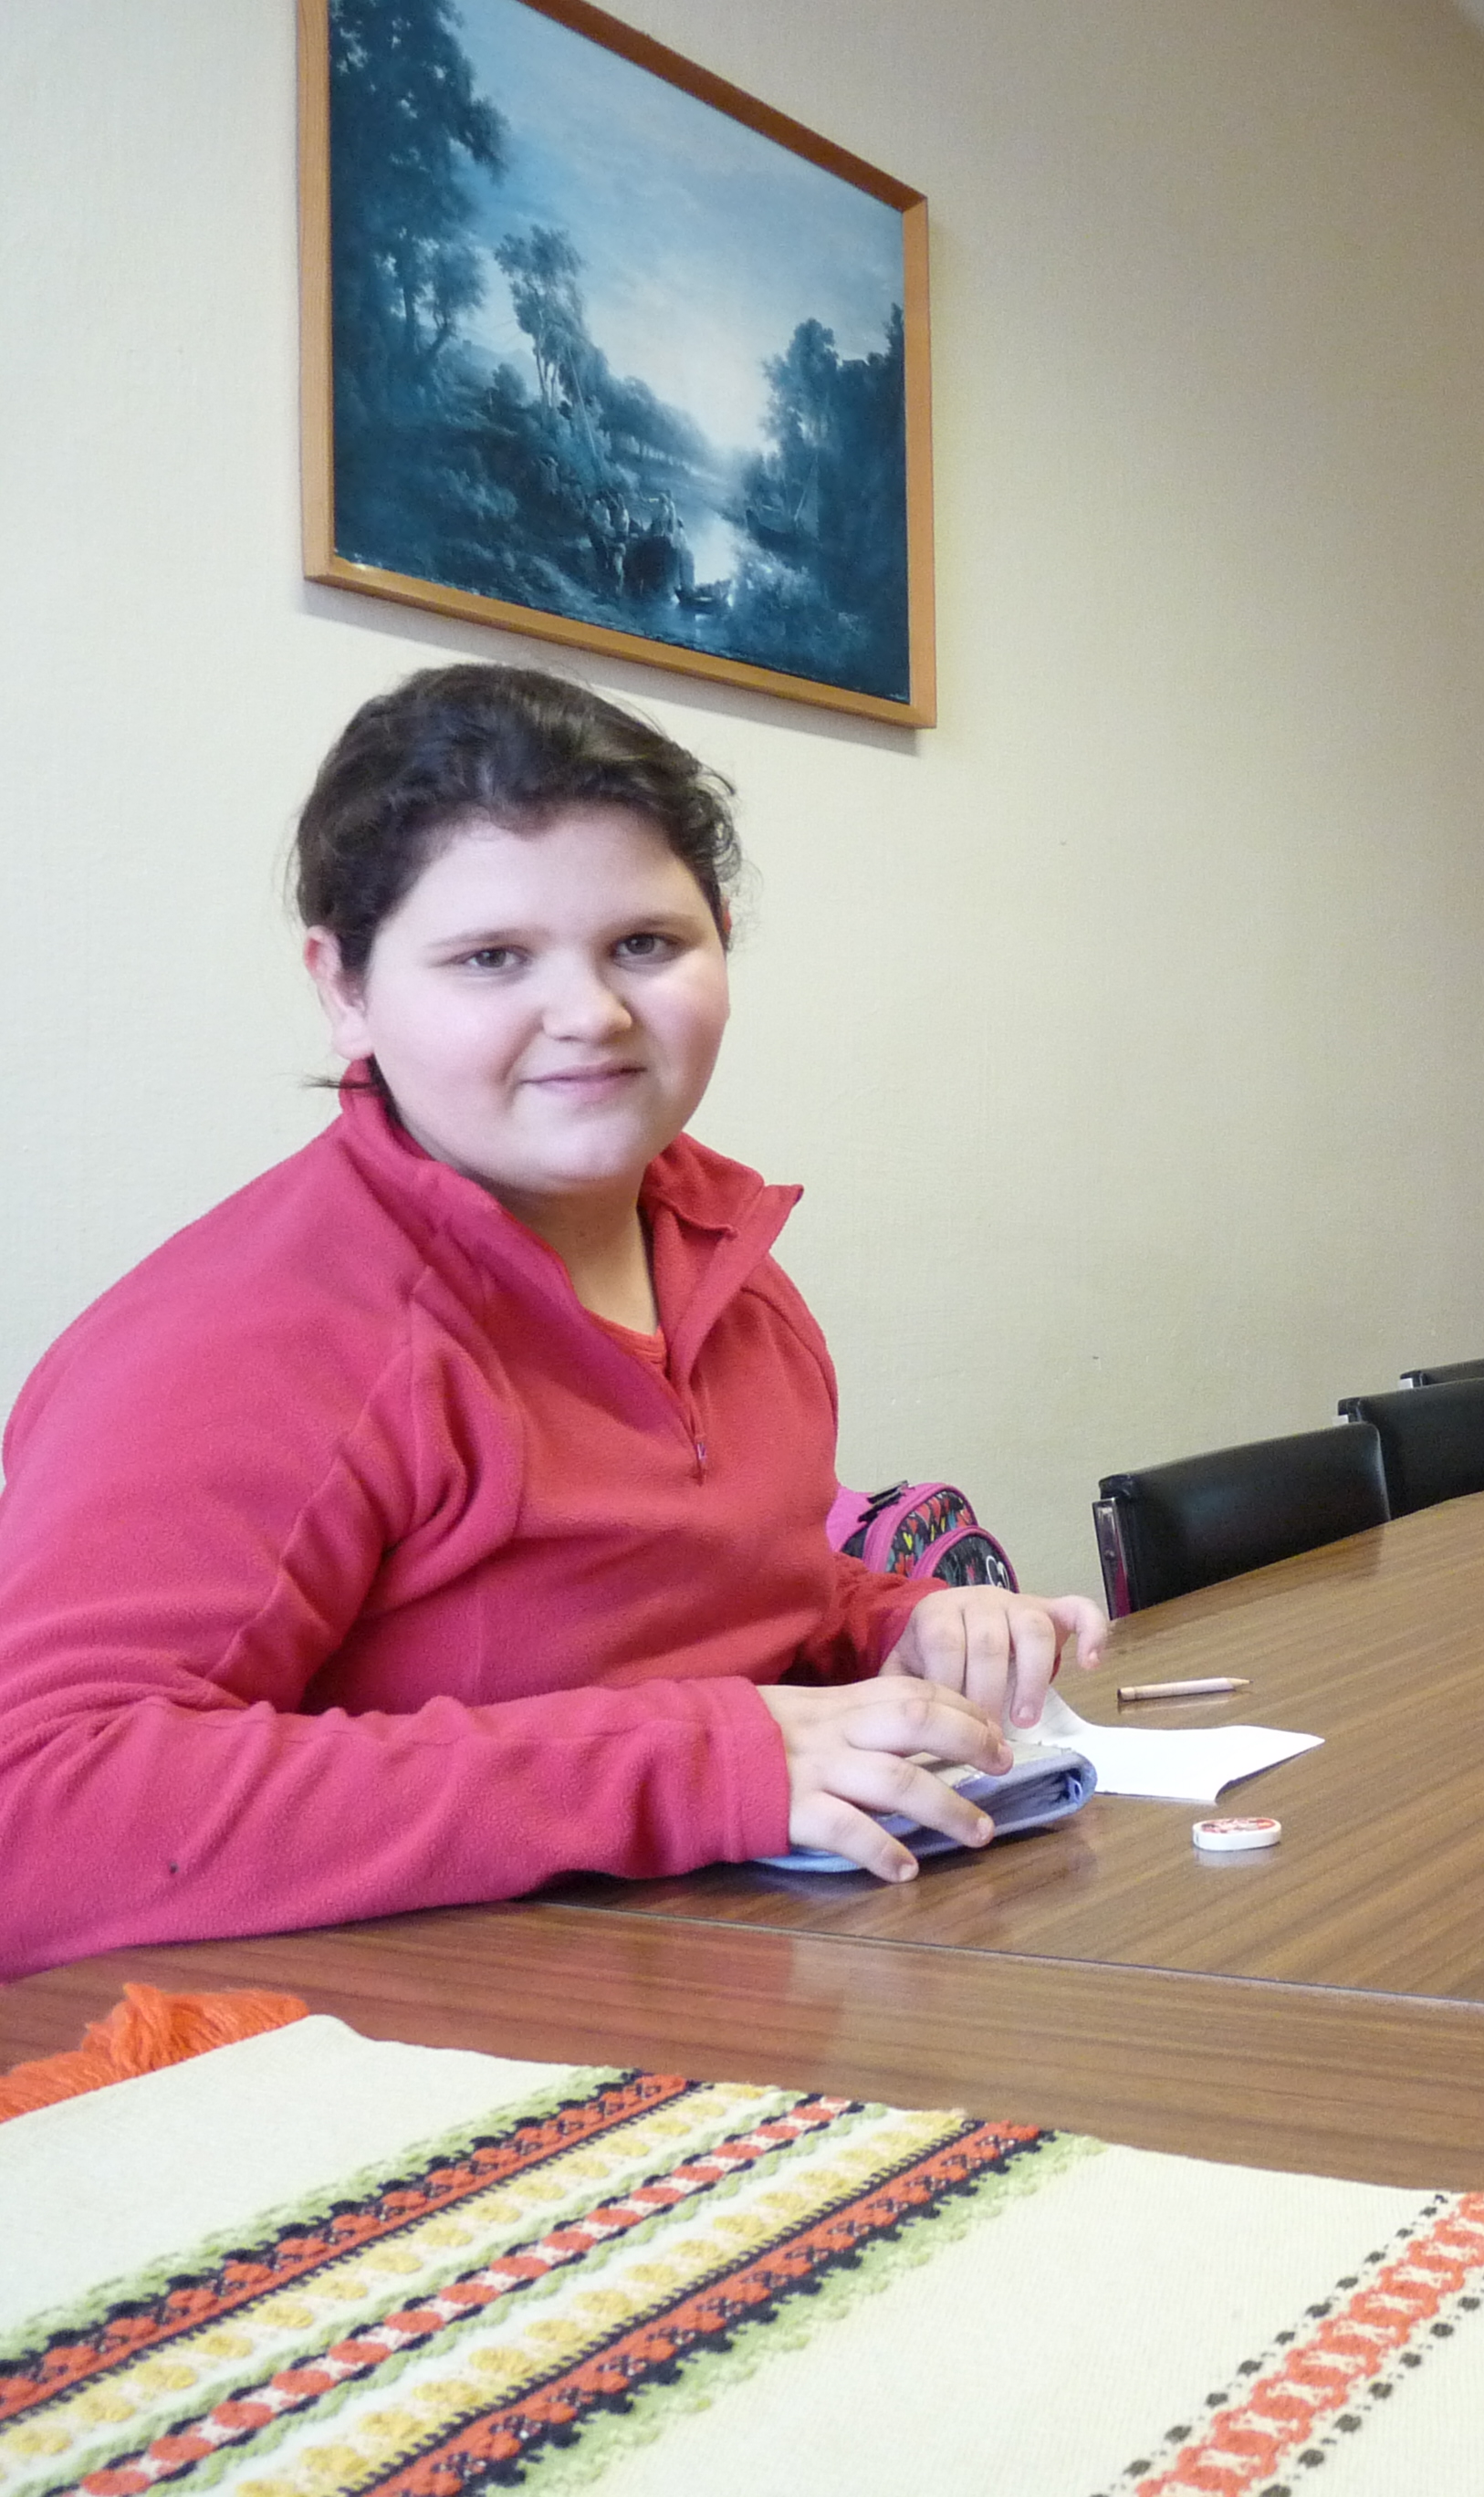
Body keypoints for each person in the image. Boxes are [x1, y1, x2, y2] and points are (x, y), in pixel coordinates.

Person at [0, 665, 1103, 1979]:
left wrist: (888, 1625)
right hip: (402, 2044)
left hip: (741, 1979)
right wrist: (695, 1765)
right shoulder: (245, 1340)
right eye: (491, 959)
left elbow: (693, 1613)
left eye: (646, 944)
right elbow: (38, 1810)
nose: (592, 1015)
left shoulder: (727, 1262)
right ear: (344, 987)